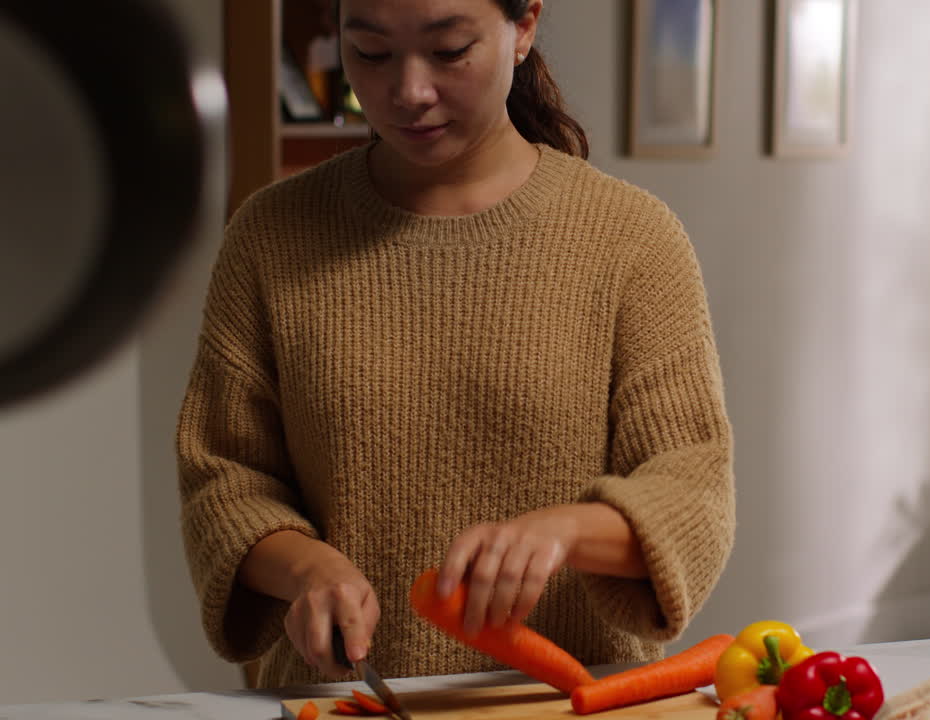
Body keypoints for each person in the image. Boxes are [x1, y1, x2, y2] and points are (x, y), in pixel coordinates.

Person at [176, 0, 735, 689]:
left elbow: (693, 489)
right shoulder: (271, 234)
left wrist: (566, 531)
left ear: (523, 26)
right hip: (348, 699)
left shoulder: (632, 239)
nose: (408, 91)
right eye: (372, 54)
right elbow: (224, 482)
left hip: (574, 702)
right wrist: (306, 568)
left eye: (448, 51)